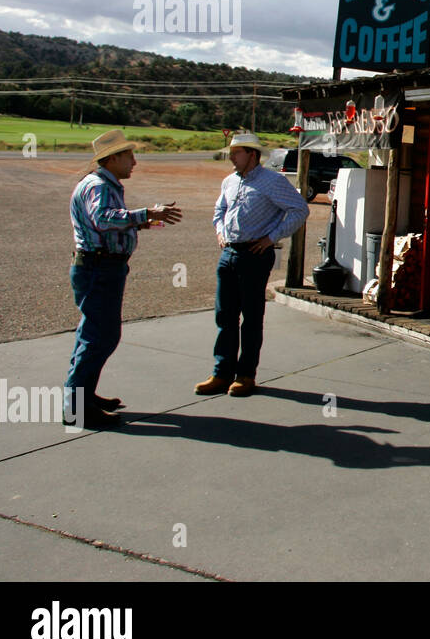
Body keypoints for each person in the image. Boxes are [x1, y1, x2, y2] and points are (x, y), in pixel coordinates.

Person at [67, 130, 183, 429]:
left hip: (100, 268)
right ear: (113, 158)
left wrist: (143, 222)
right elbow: (103, 219)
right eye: (129, 156)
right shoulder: (99, 186)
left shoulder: (102, 184)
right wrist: (146, 212)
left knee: (92, 334)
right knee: (100, 336)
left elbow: (107, 222)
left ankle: (83, 397)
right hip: (99, 269)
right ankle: (77, 407)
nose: (134, 162)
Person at [197, 133, 309, 397]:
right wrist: (220, 232)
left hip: (254, 255)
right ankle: (221, 372)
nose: (232, 157)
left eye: (236, 153)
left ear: (252, 155)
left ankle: (246, 375)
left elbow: (299, 209)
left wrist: (271, 238)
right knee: (225, 316)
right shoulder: (229, 181)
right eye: (231, 153)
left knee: (251, 318)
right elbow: (219, 211)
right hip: (229, 253)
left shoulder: (273, 181)